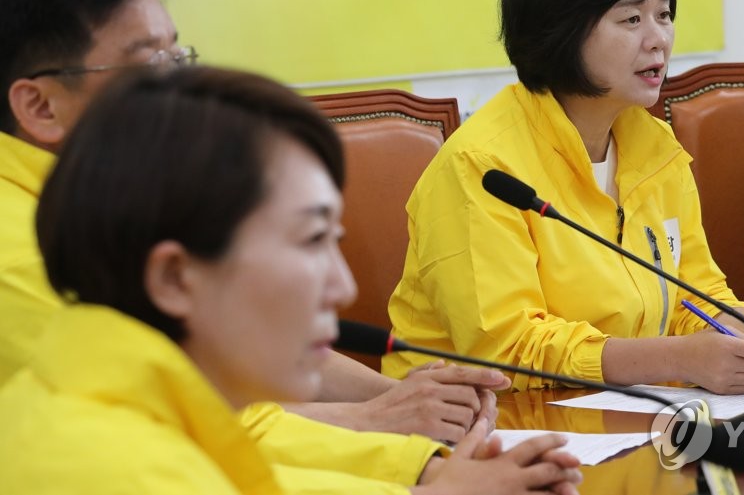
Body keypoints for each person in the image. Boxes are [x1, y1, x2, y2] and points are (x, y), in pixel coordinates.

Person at [0, 0, 508, 445]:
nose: (181, 92)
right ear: (40, 107)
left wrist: (404, 398)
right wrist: (388, 433)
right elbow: (174, 426)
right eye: (150, 66)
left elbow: (257, 337)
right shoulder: (20, 259)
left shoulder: (121, 192)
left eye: (177, 58)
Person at [0, 66, 582, 495]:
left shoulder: (123, 403)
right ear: (174, 277)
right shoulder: (129, 472)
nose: (343, 287)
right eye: (309, 241)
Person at [384, 0, 744, 395]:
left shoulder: (656, 149)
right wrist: (679, 358)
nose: (658, 39)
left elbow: (695, 301)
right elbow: (508, 351)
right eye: (631, 19)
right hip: (476, 418)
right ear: (561, 29)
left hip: (625, 408)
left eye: (663, 15)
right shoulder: (482, 165)